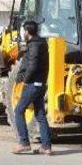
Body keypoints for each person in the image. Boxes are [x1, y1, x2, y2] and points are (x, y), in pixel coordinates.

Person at [12, 20, 52, 155]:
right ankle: (46, 147)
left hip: (33, 84)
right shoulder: (40, 43)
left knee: (18, 111)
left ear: (27, 32)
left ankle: (23, 142)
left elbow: (33, 65)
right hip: (40, 84)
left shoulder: (34, 45)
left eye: (24, 31)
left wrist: (25, 81)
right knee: (40, 114)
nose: (23, 33)